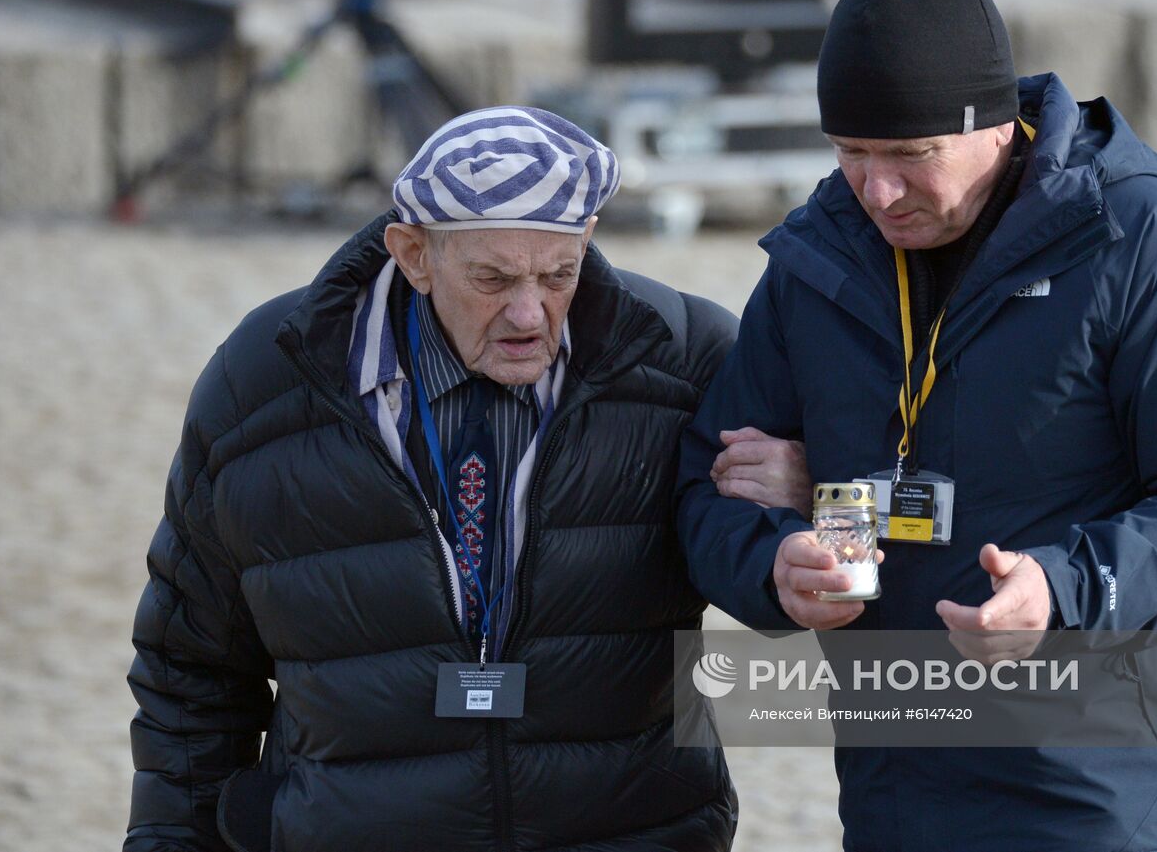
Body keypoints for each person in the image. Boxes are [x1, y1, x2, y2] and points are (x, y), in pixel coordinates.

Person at [677, 0, 1157, 852]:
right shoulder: (816, 262)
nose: (877, 191)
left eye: (910, 155)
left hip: (1098, 795)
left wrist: (1064, 588)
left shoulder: (1153, 245)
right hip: (892, 789)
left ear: (1001, 125)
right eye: (850, 153)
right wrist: (773, 566)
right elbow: (704, 487)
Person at [125, 107, 742, 851]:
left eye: (558, 275)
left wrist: (802, 497)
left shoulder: (688, 363)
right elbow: (189, 667)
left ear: (586, 242)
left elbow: (783, 592)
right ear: (413, 254)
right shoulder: (263, 379)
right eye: (493, 277)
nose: (528, 312)